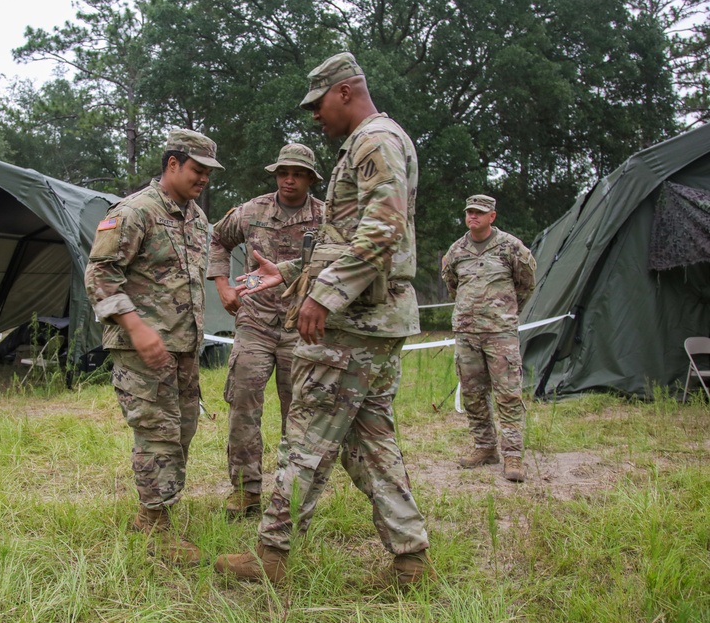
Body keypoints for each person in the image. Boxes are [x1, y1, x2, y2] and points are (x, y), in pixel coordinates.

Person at [214, 52, 432, 586]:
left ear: (343, 92)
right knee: (370, 440)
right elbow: (346, 240)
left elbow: (382, 229)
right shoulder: (370, 143)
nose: (315, 117)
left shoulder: (374, 140)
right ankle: (410, 560)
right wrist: (291, 272)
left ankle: (271, 556)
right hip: (375, 318)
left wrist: (324, 296)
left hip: (354, 323)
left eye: (318, 105)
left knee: (305, 436)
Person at [85, 129, 223, 565]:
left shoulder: (198, 219)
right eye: (197, 170)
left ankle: (154, 512)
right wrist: (136, 326)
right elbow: (100, 275)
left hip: (183, 347)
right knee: (155, 431)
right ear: (172, 164)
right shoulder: (133, 212)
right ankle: (158, 528)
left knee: (182, 429)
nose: (203, 179)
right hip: (140, 346)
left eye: (208, 173)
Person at [209, 143, 324, 518]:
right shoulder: (251, 211)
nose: (288, 180)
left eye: (297, 173)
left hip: (300, 327)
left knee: (301, 413)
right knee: (243, 405)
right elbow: (217, 239)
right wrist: (223, 286)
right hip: (255, 325)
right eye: (282, 173)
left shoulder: (326, 217)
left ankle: (291, 493)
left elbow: (342, 260)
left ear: (310, 178)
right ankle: (245, 490)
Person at [441, 194, 536, 482]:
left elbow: (526, 282)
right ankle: (485, 448)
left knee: (507, 393)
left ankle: (512, 455)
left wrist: (503, 310)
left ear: (492, 216)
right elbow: (452, 285)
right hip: (467, 333)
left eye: (480, 213)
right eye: (470, 212)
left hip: (500, 334)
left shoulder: (510, 247)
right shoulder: (457, 250)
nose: (474, 217)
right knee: (473, 394)